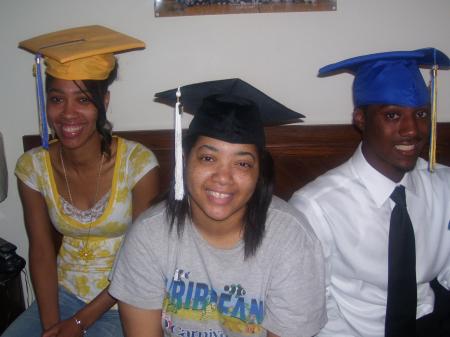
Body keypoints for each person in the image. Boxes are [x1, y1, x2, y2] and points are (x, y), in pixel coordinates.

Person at [109, 78, 327, 337]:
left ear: (260, 173)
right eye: (208, 158)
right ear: (185, 160)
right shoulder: (150, 234)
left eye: (243, 163)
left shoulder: (291, 239)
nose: (223, 177)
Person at [3, 26, 160, 337]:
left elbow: (140, 262)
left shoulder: (138, 164)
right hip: (60, 297)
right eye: (57, 99)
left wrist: (78, 324)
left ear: (104, 101)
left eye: (83, 99)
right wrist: (51, 326)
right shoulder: (32, 167)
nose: (68, 114)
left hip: (124, 301)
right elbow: (42, 251)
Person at [289, 48, 450, 337]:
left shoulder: (444, 186)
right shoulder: (317, 207)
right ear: (360, 118)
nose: (412, 130)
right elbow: (315, 308)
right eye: (392, 115)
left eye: (422, 114)